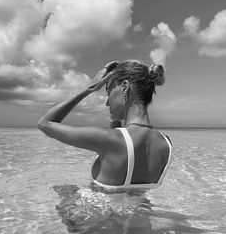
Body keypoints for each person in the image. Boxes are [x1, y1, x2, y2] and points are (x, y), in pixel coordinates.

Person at [38, 60, 172, 192]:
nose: (107, 102)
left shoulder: (109, 140)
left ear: (125, 87)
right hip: (141, 212)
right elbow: (123, 155)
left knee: (62, 190)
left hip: (96, 213)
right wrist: (115, 117)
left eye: (109, 92)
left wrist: (89, 88)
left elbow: (45, 123)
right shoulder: (166, 143)